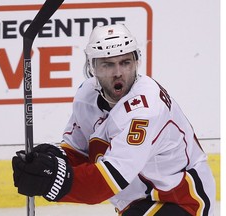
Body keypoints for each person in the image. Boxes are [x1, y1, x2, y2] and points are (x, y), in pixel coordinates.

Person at [12, 24, 216, 215]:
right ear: (93, 68)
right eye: (108, 65)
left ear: (136, 62)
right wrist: (48, 160)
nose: (118, 73)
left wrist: (50, 181)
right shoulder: (86, 96)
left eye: (125, 63)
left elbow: (105, 183)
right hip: (138, 200)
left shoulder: (144, 109)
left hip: (181, 200)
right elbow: (78, 153)